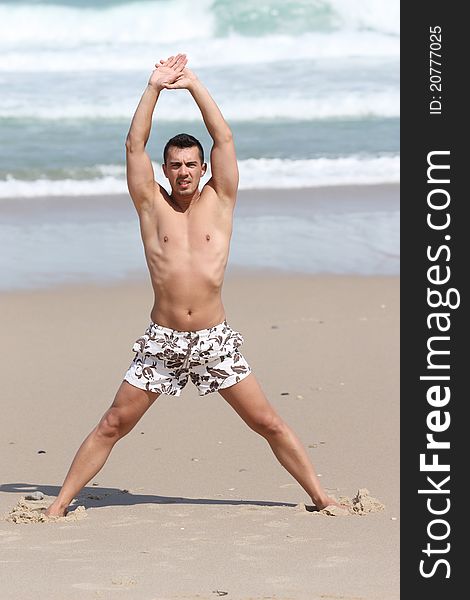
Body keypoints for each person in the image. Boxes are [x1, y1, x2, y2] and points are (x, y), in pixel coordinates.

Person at [45, 54, 340, 517]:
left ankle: (323, 498)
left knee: (267, 421)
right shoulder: (150, 205)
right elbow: (132, 145)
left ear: (203, 169)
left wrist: (195, 84)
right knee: (113, 424)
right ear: (165, 170)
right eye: (175, 165)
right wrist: (154, 88)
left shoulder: (221, 200)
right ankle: (58, 505)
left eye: (191, 164)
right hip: (162, 341)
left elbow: (224, 137)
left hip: (214, 339)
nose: (183, 172)